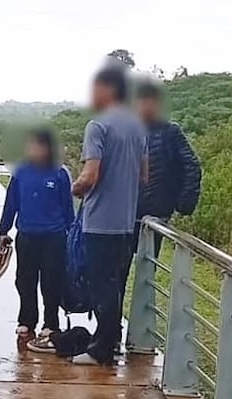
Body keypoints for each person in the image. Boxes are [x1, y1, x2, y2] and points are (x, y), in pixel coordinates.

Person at [70, 66, 147, 366]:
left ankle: (100, 348)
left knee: (100, 284)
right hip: (126, 222)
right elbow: (145, 175)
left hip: (100, 222)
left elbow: (90, 175)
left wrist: (75, 190)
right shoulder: (138, 127)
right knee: (115, 284)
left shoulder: (97, 126)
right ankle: (109, 339)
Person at [121, 80, 202, 345]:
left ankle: (138, 336)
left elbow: (192, 167)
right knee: (116, 274)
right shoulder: (126, 131)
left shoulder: (170, 133)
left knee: (146, 274)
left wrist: (181, 205)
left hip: (154, 217)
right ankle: (111, 332)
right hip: (123, 216)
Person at [0, 130, 74, 353]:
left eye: (39, 146)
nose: (34, 150)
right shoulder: (21, 173)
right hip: (27, 235)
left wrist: (73, 236)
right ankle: (27, 319)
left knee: (51, 281)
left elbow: (68, 210)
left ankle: (51, 323)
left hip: (54, 236)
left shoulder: (59, 174)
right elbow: (11, 203)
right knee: (25, 279)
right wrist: (3, 229)